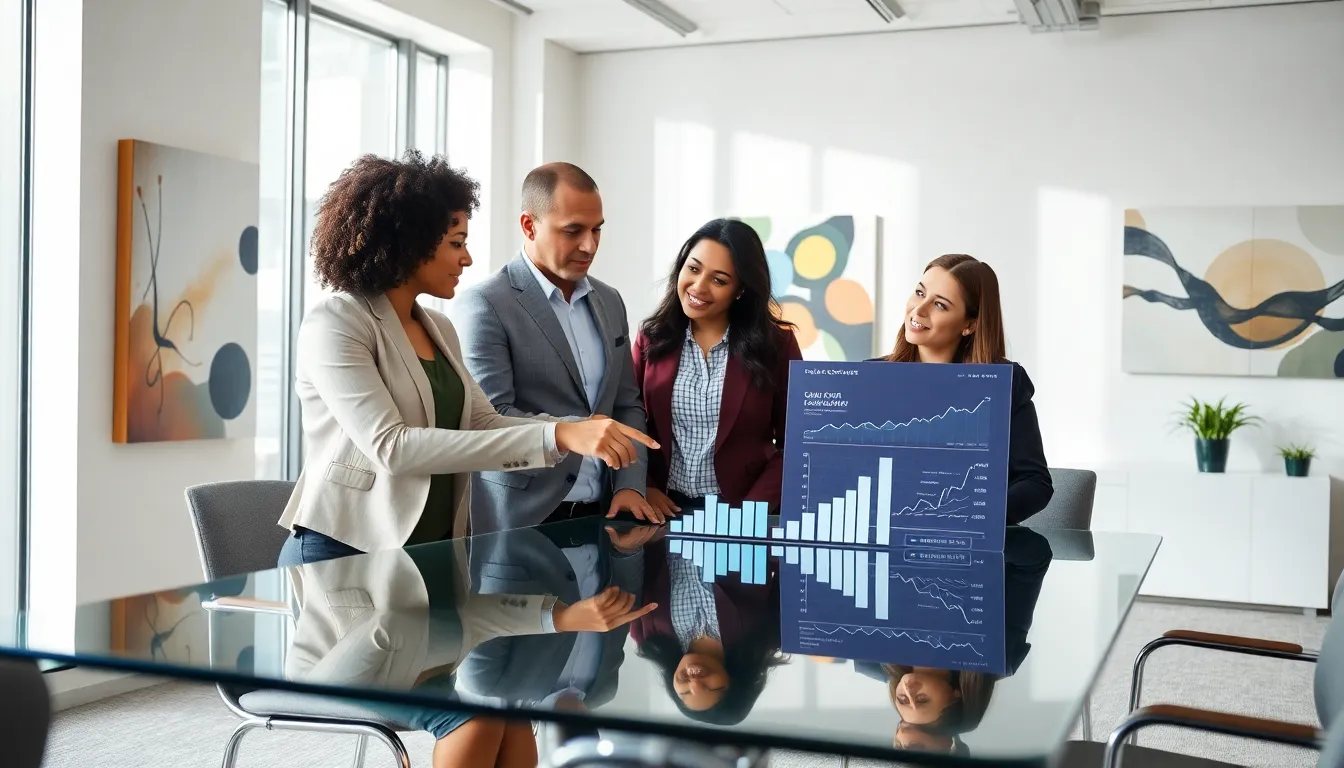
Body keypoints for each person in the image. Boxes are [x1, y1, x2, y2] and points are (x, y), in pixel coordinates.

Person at [276, 152, 657, 566]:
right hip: (340, 549)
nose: (468, 258)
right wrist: (559, 436)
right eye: (456, 244)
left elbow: (484, 421)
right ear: (411, 244)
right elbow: (393, 447)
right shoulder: (336, 321)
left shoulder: (438, 328)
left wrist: (567, 429)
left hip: (422, 552)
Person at [284, 536, 655, 768]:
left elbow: (454, 616)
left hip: (413, 647)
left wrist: (561, 617)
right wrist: (559, 617)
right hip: (354, 658)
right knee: (474, 721)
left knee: (504, 715)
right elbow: (402, 626)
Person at [453, 163, 655, 533]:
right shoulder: (485, 304)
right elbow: (489, 418)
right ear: (529, 225)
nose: (589, 245)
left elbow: (625, 404)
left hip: (604, 520)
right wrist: (574, 430)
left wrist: (629, 485)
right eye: (573, 230)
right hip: (518, 524)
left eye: (597, 230)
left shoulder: (610, 301)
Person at [632, 219, 802, 519]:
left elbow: (796, 441)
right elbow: (629, 421)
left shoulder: (777, 345)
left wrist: (752, 509)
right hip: (663, 513)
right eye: (693, 269)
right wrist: (642, 486)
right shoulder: (651, 337)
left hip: (740, 516)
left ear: (740, 290)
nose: (698, 287)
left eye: (719, 280)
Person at [879, 253, 1053, 524]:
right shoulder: (869, 378)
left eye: (939, 304)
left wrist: (968, 517)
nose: (918, 310)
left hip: (967, 551)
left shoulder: (1006, 382)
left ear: (969, 325)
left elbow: (1035, 482)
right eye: (919, 293)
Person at [631, 539, 787, 725]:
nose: (694, 682)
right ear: (734, 682)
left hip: (664, 516)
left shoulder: (649, 639)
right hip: (736, 516)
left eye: (685, 692)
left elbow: (634, 574)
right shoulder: (765, 637)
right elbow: (788, 571)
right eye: (711, 688)